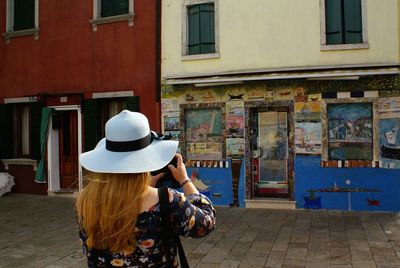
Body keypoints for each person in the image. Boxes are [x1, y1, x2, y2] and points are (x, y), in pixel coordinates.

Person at [76, 110, 216, 267]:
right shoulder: (167, 200)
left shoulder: (85, 202)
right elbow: (205, 223)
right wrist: (184, 180)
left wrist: (144, 188)